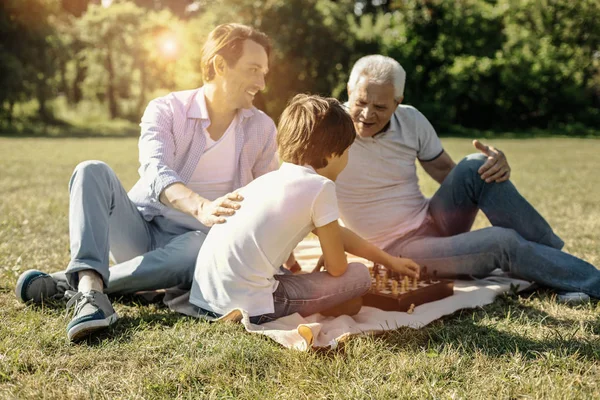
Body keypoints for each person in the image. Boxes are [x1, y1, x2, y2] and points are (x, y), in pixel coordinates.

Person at [14, 23, 290, 341]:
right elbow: (155, 170)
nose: (262, 83)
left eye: (264, 72)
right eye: (254, 70)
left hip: (202, 249)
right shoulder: (166, 110)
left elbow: (268, 199)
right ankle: (90, 291)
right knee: (90, 170)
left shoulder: (262, 128)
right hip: (142, 233)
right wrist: (201, 207)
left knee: (197, 246)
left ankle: (79, 282)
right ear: (219, 65)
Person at [334, 54, 600, 302]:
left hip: (433, 218)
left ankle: (556, 267)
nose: (367, 114)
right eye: (360, 102)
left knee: (476, 165)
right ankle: (586, 280)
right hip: (398, 250)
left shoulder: (411, 119)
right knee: (501, 242)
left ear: (398, 101)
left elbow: (445, 171)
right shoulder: (329, 127)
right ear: (349, 91)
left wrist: (493, 168)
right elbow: (301, 187)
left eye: (379, 106)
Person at [189, 94, 421, 323]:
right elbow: (338, 269)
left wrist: (390, 261)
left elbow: (339, 234)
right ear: (332, 154)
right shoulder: (320, 187)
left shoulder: (268, 181)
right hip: (249, 305)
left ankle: (328, 303)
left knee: (341, 296)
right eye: (348, 151)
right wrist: (334, 261)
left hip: (205, 300)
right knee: (359, 276)